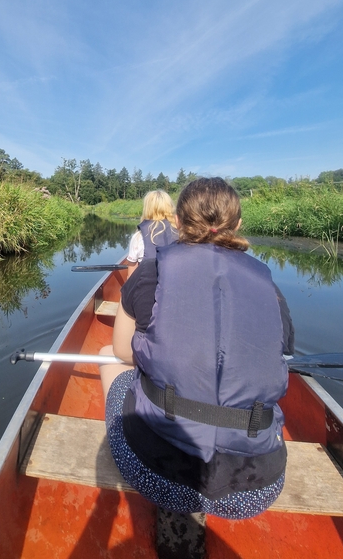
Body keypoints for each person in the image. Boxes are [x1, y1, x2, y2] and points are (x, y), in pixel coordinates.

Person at [100, 177, 294, 519]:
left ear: (178, 222)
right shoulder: (270, 288)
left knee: (108, 360)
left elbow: (122, 351)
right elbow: (279, 357)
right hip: (257, 487)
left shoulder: (150, 273)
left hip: (157, 474)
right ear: (238, 225)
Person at [126, 190, 178, 278]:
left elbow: (131, 274)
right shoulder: (181, 233)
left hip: (147, 290)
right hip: (174, 289)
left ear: (147, 209)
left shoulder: (139, 237)